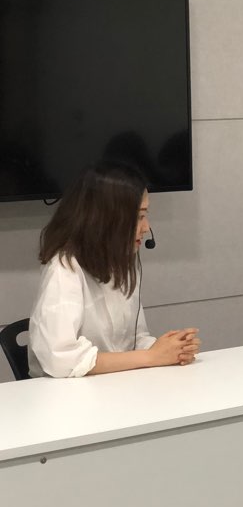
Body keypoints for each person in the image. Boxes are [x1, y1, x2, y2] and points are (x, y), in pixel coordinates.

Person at [27, 162, 200, 378]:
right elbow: (60, 360)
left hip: (114, 385)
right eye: (139, 217)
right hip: (65, 393)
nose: (146, 228)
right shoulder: (64, 269)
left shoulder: (120, 261)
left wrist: (171, 350)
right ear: (107, 219)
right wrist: (151, 357)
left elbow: (134, 338)